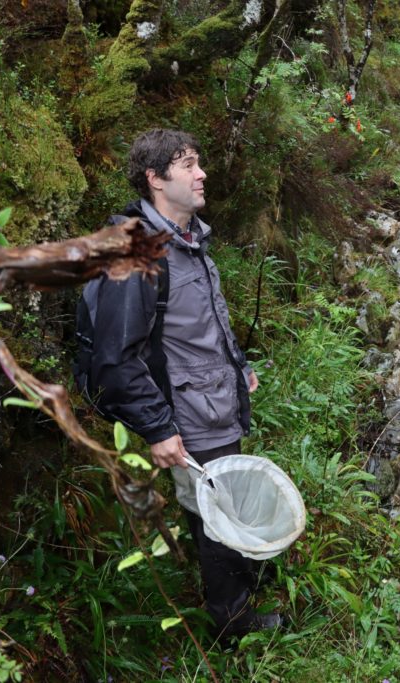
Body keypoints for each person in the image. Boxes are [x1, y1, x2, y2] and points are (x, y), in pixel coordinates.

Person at [80, 128, 281, 640]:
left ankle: (241, 576)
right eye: (188, 165)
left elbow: (203, 319)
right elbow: (116, 358)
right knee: (214, 517)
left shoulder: (188, 240)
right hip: (188, 416)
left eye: (198, 162)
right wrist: (156, 428)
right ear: (155, 178)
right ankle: (233, 624)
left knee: (224, 504)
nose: (202, 173)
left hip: (215, 400)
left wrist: (239, 363)